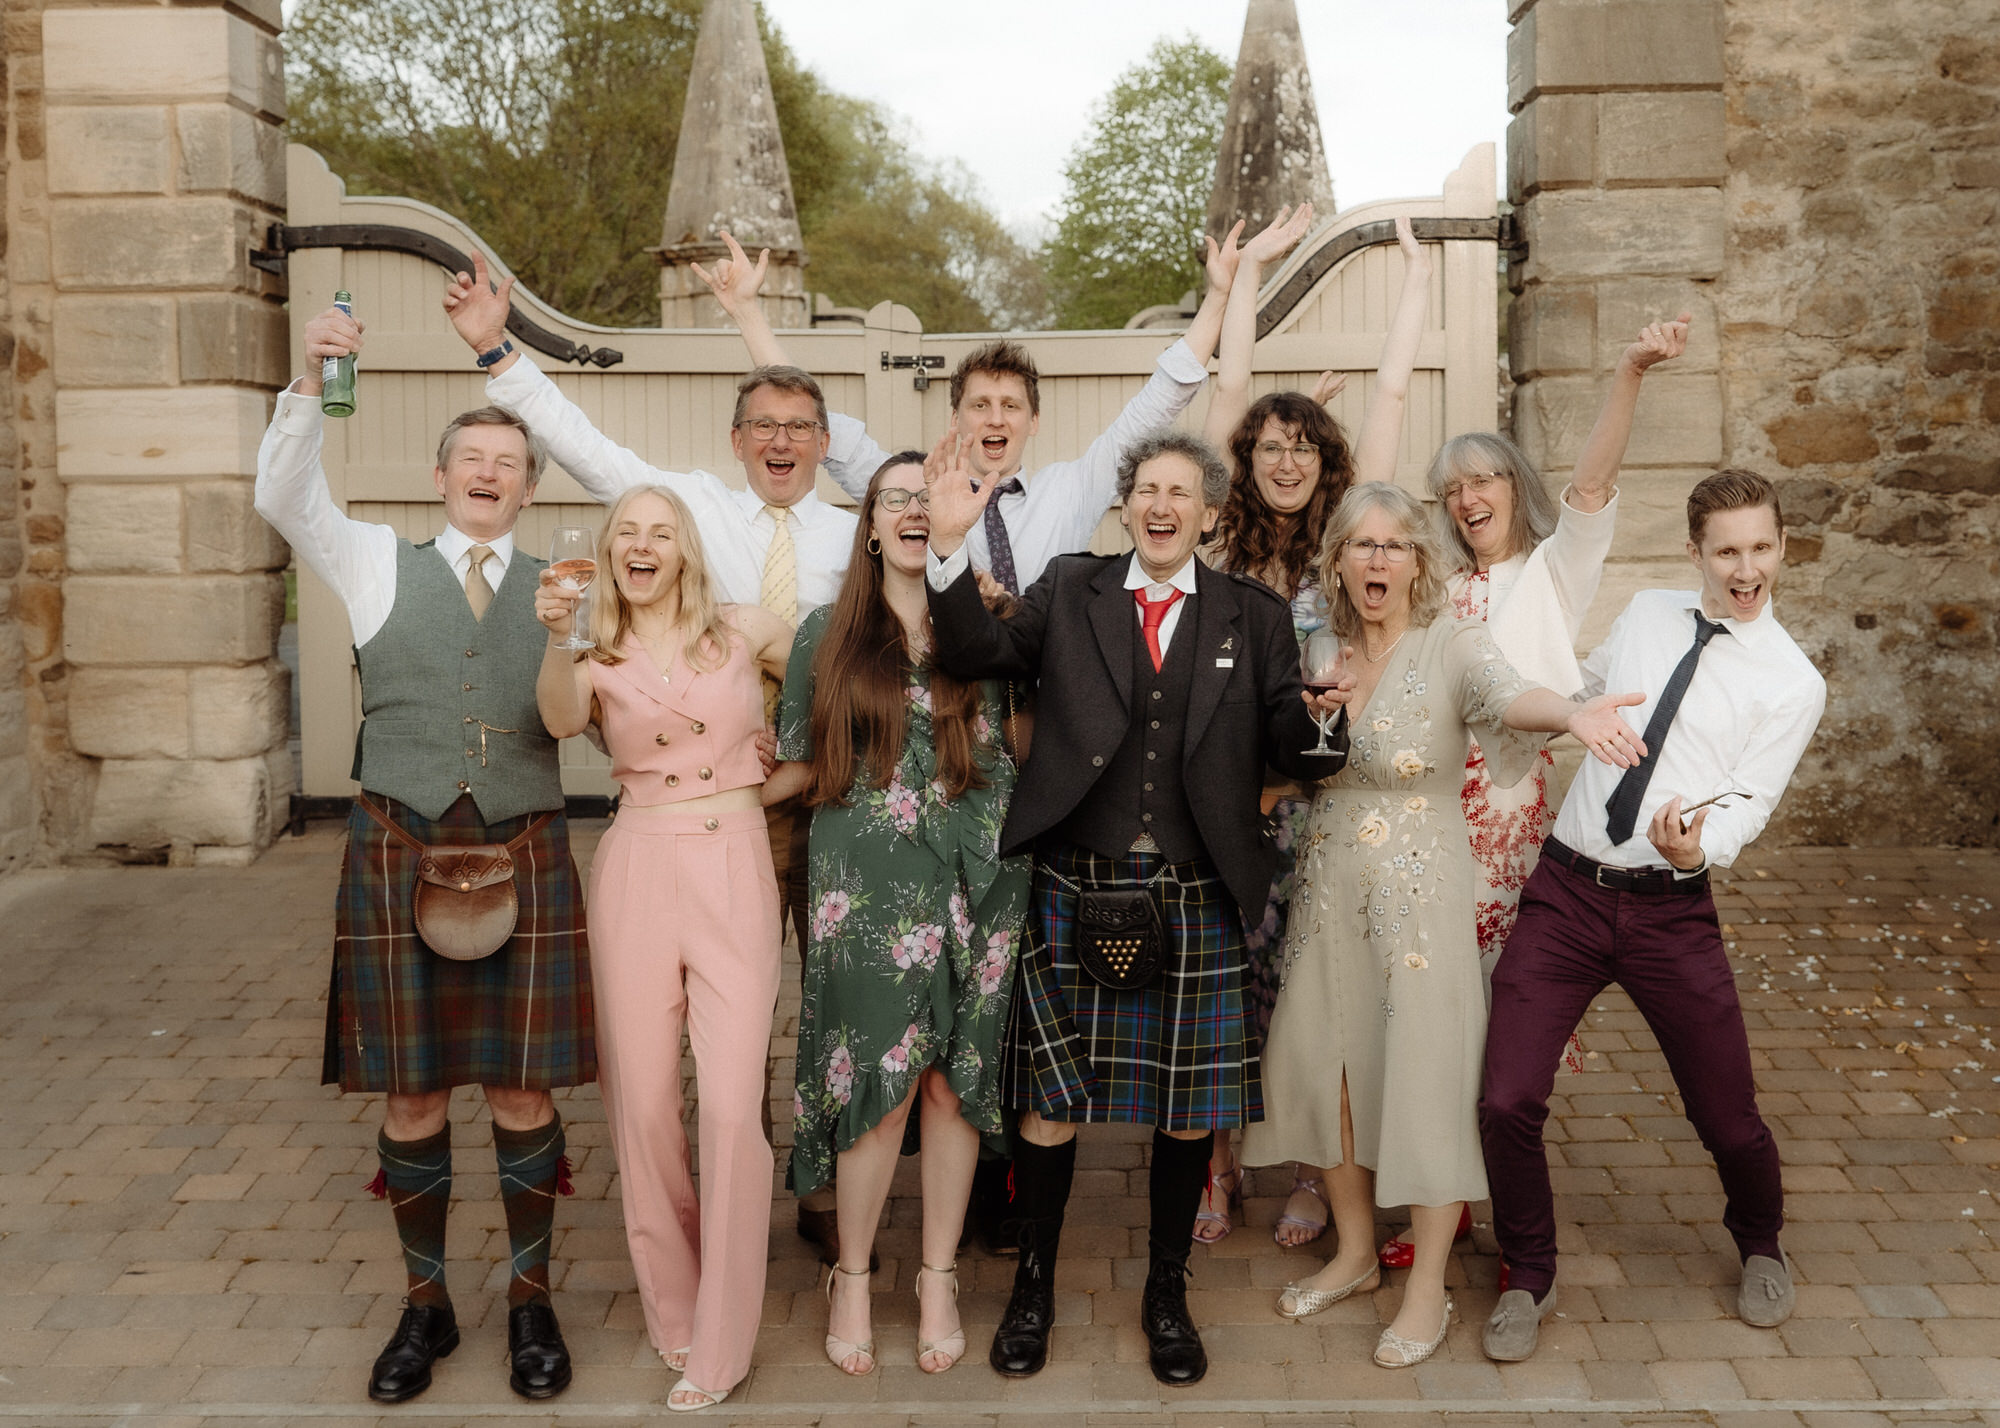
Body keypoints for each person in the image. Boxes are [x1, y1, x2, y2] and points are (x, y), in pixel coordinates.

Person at [687, 219, 1243, 1253]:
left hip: (1024, 759)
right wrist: (746, 315)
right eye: (977, 403)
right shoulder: (912, 484)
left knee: (1003, 976)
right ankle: (869, 1155)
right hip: (901, 754)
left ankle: (992, 1175)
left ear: (1030, 422)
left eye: (1008, 406)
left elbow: (1159, 401)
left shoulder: (1075, 491)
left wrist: (1216, 299)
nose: (992, 417)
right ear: (955, 419)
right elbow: (806, 421)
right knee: (901, 979)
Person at [442, 255, 850, 1257]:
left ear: (825, 445)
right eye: (762, 426)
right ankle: (731, 1194)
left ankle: (828, 1190)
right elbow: (583, 447)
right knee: (734, 1029)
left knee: (837, 1004)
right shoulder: (688, 508)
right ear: (737, 442)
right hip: (718, 815)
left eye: (799, 428)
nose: (780, 442)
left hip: (832, 801)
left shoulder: (857, 533)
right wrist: (497, 350)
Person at [924, 428, 1344, 1387]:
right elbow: (977, 648)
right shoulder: (1072, 590)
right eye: (1146, 488)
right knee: (1050, 1104)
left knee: (1187, 1112)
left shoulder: (1254, 612)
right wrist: (951, 548)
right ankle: (1034, 1283)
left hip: (1195, 887)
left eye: (1180, 492)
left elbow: (1289, 729)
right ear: (1127, 506)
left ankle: (1166, 1287)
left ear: (1206, 513)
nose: (1161, 505)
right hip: (1080, 879)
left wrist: (1322, 721)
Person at [254, 307, 590, 1404]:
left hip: (526, 846)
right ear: (437, 474)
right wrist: (314, 377)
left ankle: (533, 1300)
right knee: (409, 1098)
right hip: (399, 849)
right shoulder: (369, 560)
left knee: (523, 1093)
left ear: (528, 488)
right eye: (472, 458)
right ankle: (427, 1305)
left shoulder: (566, 588)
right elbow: (282, 497)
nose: (489, 474)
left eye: (509, 463)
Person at [1240, 482, 1646, 1369]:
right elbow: (1287, 758)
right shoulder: (1322, 646)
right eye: (1361, 545)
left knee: (1423, 1075)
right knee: (1328, 1070)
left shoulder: (1452, 642)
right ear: (1339, 561)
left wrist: (1573, 713)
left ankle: (1426, 1282)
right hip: (1329, 879)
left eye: (1395, 545)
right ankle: (1354, 1253)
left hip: (1421, 892)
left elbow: (1512, 697)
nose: (1378, 559)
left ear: (1418, 560)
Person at [1367, 310, 1694, 1276]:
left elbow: (1593, 483)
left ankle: (1509, 1216)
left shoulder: (1554, 571)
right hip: (1425, 817)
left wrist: (1629, 369)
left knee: (1501, 1025)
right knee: (1429, 1013)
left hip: (1507, 818)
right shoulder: (1431, 588)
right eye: (1454, 487)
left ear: (1516, 489)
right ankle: (1446, 1206)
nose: (1470, 497)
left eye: (1486, 479)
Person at [1478, 468, 1825, 1363]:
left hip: (1672, 909)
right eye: (1727, 551)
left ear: (1783, 547)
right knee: (1507, 1096)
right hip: (1565, 892)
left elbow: (1750, 803)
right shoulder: (1643, 613)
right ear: (1695, 552)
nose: (1745, 569)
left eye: (1760, 548)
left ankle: (1760, 1241)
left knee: (1727, 1113)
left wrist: (1695, 849)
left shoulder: (1791, 681)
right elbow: (1580, 696)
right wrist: (1568, 714)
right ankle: (1528, 1272)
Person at [761, 453, 1032, 1377]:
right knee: (878, 1090)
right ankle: (851, 1273)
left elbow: (1029, 742)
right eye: (897, 496)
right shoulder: (822, 635)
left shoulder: (988, 620)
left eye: (931, 495)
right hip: (868, 890)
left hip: (984, 878)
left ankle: (939, 1277)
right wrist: (688, 783)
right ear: (871, 523)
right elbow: (795, 764)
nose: (917, 508)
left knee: (956, 1084)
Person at [1195, 212, 1434, 1249]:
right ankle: (1212, 1165)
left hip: (1315, 808)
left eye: (1302, 447)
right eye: (1268, 445)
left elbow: (1387, 397)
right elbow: (1226, 383)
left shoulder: (1349, 536)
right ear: (1243, 458)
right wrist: (1244, 274)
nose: (1284, 460)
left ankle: (1306, 1169)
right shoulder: (1215, 536)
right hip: (1223, 804)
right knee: (1222, 985)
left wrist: (1417, 285)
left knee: (1306, 989)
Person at [532, 485, 792, 1412]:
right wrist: (560, 632)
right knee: (642, 1109)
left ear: (685, 551)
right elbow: (562, 720)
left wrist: (788, 763)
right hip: (637, 864)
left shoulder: (742, 628)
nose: (642, 546)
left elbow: (834, 689)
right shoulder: (590, 649)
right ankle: (674, 1310)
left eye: (661, 532)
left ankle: (722, 1343)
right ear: (606, 553)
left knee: (728, 1112)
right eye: (625, 535)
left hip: (732, 863)